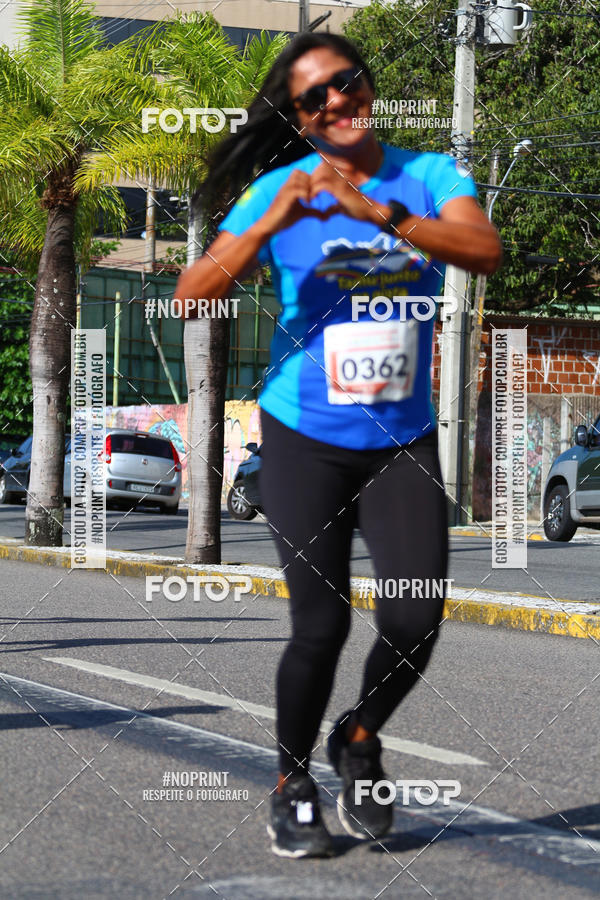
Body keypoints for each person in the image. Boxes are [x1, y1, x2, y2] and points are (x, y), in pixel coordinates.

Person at [175, 32, 502, 858]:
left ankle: (357, 739)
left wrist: (384, 214)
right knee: (319, 626)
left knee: (417, 614)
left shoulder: (427, 176)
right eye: (312, 99)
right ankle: (291, 784)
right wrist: (271, 221)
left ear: (368, 86)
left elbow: (483, 251)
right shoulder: (276, 191)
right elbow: (192, 293)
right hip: (303, 439)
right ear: (298, 117)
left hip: (402, 440)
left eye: (345, 84)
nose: (334, 104)